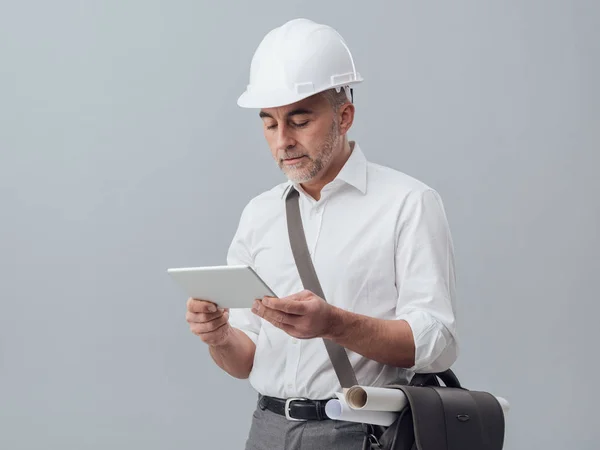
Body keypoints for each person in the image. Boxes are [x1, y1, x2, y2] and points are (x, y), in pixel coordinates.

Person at [185, 18, 459, 450]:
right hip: (267, 428)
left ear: (344, 116)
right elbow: (244, 359)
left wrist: (335, 323)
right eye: (270, 124)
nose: (283, 142)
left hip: (361, 431)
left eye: (298, 121)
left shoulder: (409, 202)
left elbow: (436, 344)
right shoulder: (259, 213)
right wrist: (219, 336)